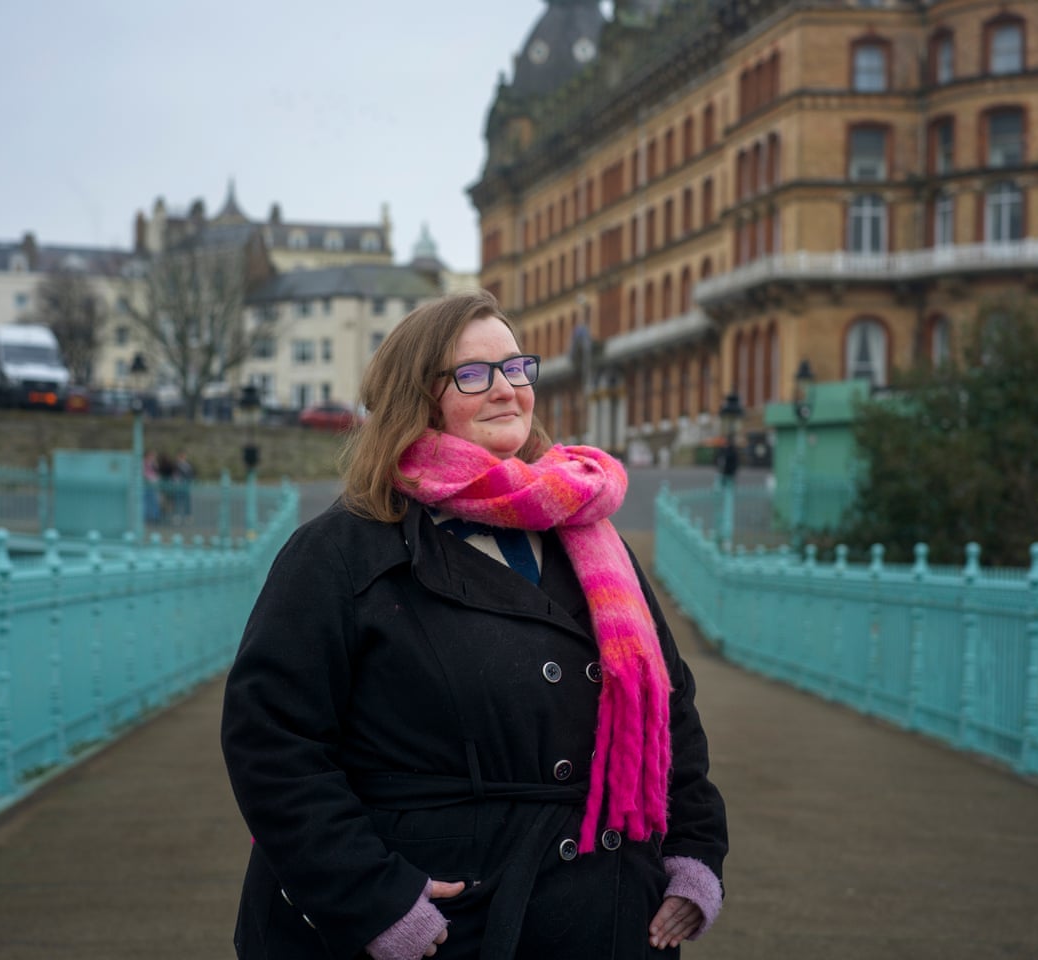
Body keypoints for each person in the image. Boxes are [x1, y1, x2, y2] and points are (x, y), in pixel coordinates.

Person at [221, 291, 728, 960]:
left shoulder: (588, 537)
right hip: (446, 924)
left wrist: (693, 853)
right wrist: (372, 900)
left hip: (604, 916)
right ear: (418, 398)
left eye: (516, 369)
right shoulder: (342, 552)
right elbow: (273, 741)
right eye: (472, 374)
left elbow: (670, 705)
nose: (505, 389)